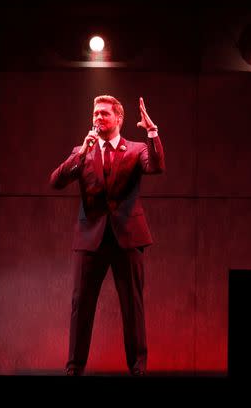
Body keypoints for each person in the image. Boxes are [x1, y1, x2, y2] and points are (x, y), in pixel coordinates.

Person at [50, 95, 165, 376]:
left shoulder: (136, 149)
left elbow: (156, 166)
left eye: (104, 114)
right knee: (81, 305)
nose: (98, 118)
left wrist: (152, 132)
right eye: (95, 114)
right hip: (91, 238)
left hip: (128, 237)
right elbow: (56, 181)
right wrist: (80, 154)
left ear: (118, 119)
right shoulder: (83, 150)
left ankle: (138, 368)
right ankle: (74, 368)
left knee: (133, 306)